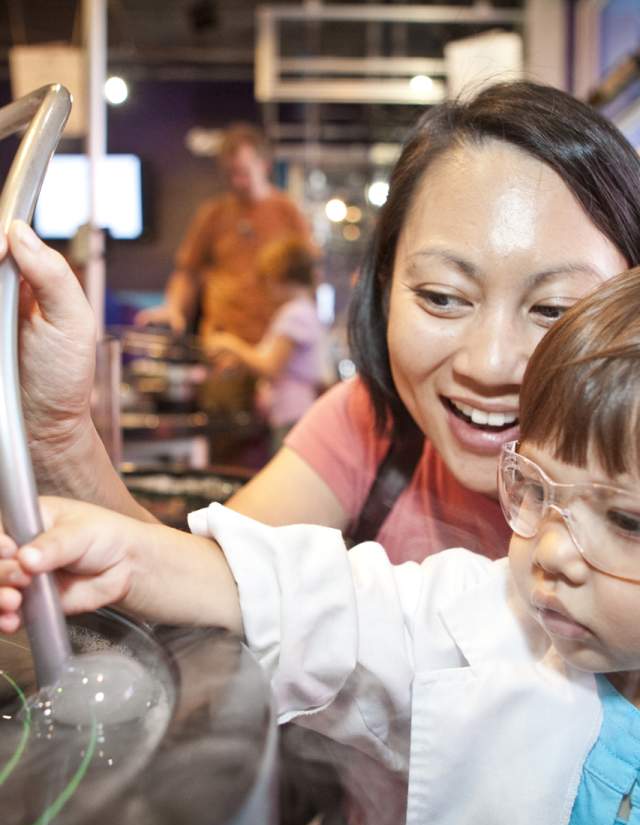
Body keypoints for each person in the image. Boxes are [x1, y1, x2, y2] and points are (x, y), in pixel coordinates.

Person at [3, 267, 640, 825]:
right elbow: (325, 606)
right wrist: (134, 555)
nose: (554, 551)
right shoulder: (494, 624)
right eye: (537, 489)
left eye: (624, 519)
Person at [5, 80, 640, 569]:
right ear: (384, 289)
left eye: (555, 310)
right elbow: (195, 578)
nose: (490, 364)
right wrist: (57, 428)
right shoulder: (370, 422)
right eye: (444, 297)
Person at [135, 122, 312, 345]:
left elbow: (308, 278)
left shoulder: (288, 212)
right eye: (230, 174)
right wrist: (174, 307)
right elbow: (188, 272)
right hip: (223, 344)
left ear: (264, 165)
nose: (237, 182)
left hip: (273, 347)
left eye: (244, 173)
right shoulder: (214, 214)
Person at [204, 238, 324, 452]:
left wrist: (232, 344)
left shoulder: (295, 313)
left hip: (291, 416)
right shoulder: (302, 310)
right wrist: (237, 360)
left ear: (280, 276)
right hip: (289, 415)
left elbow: (271, 367)